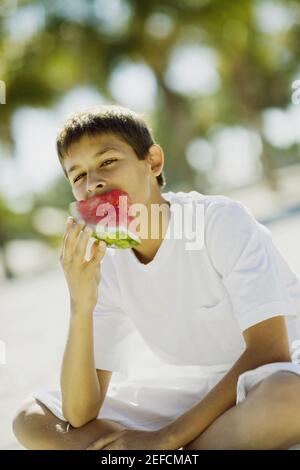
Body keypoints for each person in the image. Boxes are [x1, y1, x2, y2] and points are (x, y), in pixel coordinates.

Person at [13, 104, 300, 450]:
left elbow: (270, 351)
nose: (93, 183)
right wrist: (80, 304)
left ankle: (167, 453)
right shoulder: (105, 263)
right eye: (77, 176)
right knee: (31, 419)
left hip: (274, 373)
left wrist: (167, 436)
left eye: (107, 162)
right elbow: (79, 413)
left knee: (289, 399)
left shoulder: (220, 221)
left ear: (153, 161)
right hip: (192, 390)